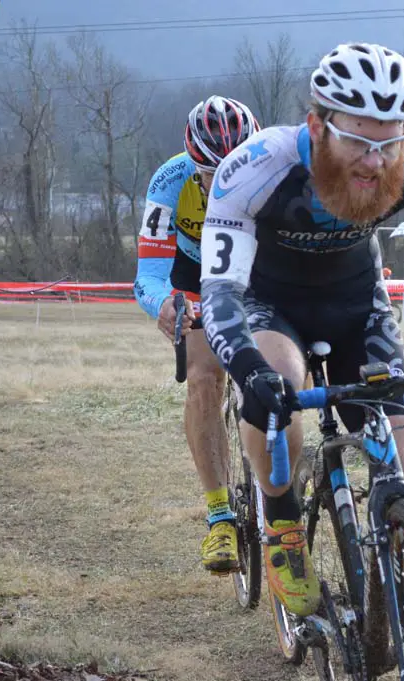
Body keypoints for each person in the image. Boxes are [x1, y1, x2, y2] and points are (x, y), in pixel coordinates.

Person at [198, 43, 404, 681]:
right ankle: (283, 520)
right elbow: (220, 293)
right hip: (270, 305)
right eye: (358, 142)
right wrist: (246, 371)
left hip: (358, 308)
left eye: (389, 142)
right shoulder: (255, 168)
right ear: (317, 125)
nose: (376, 162)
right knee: (279, 388)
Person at [133, 96, 261, 574]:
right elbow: (147, 274)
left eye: (237, 171)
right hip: (195, 270)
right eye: (210, 173)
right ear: (192, 163)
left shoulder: (276, 171)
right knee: (204, 376)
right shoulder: (169, 182)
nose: (224, 182)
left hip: (255, 266)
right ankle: (221, 516)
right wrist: (163, 304)